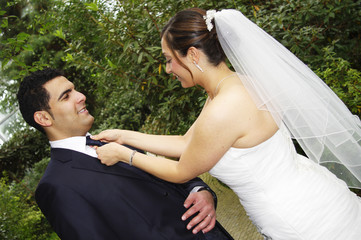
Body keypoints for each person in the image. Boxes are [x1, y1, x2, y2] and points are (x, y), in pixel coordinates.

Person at [92, 8, 361, 239]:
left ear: (194, 55)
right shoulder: (237, 85)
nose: (169, 69)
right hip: (315, 193)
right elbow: (187, 143)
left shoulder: (223, 109)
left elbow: (181, 171)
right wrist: (124, 135)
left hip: (297, 217)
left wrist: (123, 155)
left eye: (169, 59)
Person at [16, 68, 234, 240]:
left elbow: (165, 171)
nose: (81, 96)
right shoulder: (55, 187)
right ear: (44, 118)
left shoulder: (112, 139)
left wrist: (200, 189)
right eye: (66, 96)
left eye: (75, 90)